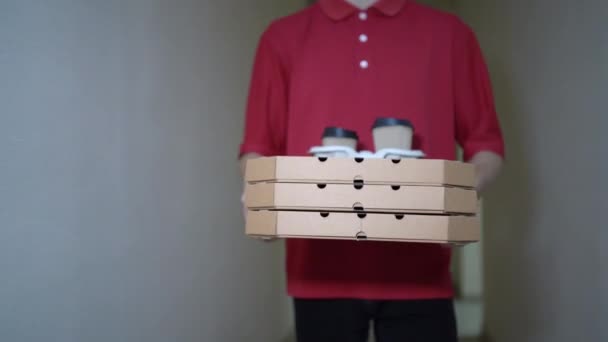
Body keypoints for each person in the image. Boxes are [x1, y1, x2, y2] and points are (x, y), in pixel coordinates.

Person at [238, 0, 505, 341]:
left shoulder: (451, 34)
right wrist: (257, 193)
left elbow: (486, 144)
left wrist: (463, 190)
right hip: (318, 271)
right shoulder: (281, 37)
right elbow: (258, 145)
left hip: (422, 272)